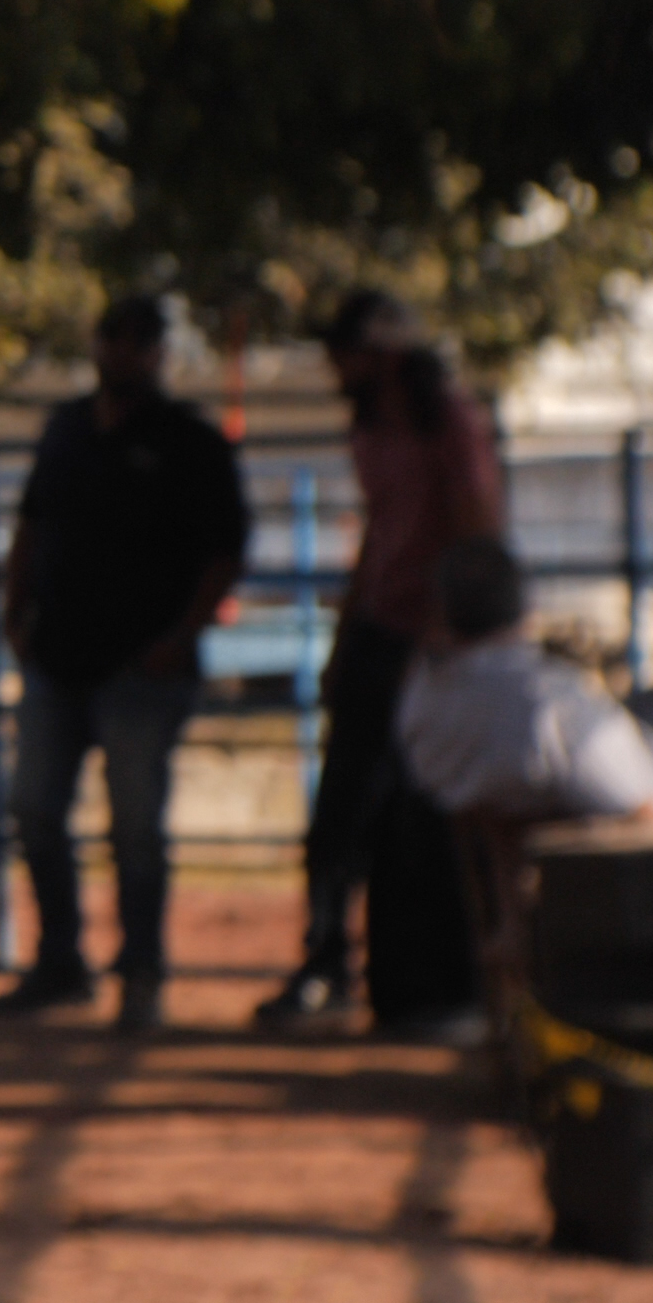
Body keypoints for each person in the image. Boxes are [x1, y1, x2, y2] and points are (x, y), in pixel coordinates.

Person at [0, 297, 252, 1032]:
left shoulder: (190, 442)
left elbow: (226, 551)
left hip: (144, 665)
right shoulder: (67, 429)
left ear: (161, 351)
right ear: (98, 344)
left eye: (142, 340)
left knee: (135, 828)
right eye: (116, 337)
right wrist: (15, 610)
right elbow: (33, 524)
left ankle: (142, 976)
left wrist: (180, 635)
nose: (127, 352)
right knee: (35, 809)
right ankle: (60, 964)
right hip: (58, 654)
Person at [254, 289, 504, 1040]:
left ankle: (435, 983)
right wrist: (349, 632)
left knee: (419, 822)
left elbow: (475, 530)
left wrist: (441, 634)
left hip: (434, 646)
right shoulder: (372, 426)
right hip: (380, 632)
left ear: (382, 352)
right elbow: (380, 530)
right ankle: (327, 961)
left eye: (345, 351)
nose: (336, 367)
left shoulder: (448, 422)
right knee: (340, 813)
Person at [399, 539, 653, 825]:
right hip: (583, 862)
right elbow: (639, 807)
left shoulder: (423, 699)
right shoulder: (553, 702)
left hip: (485, 863)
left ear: (441, 614)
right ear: (526, 609)